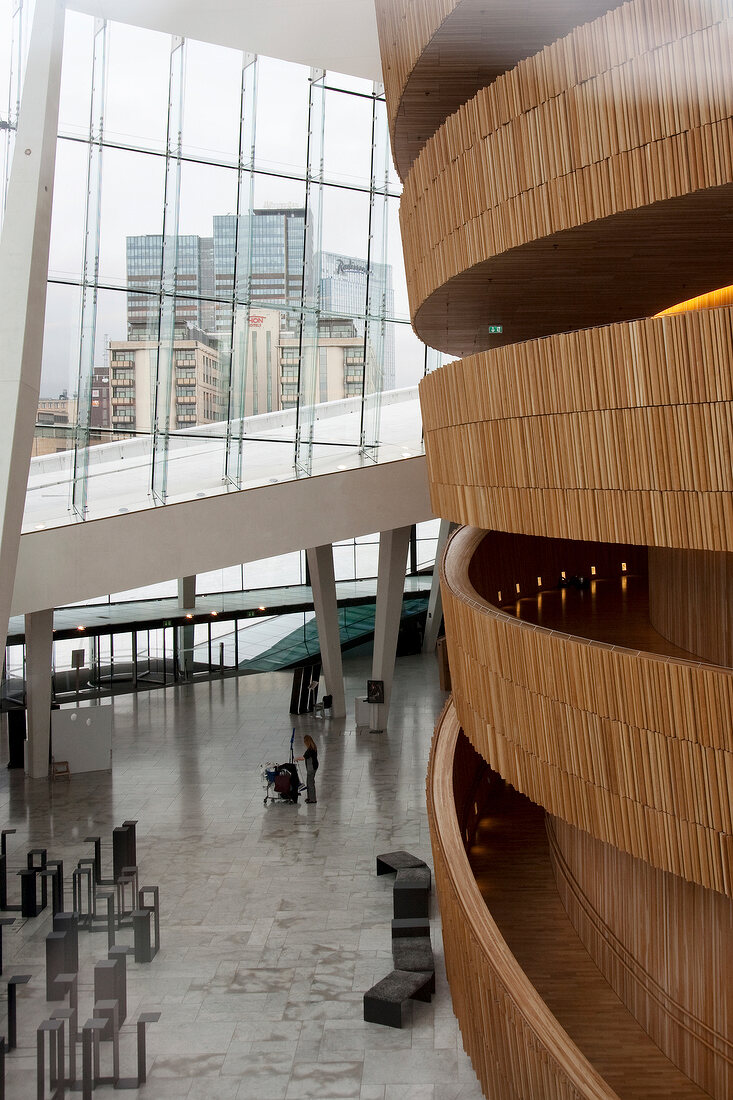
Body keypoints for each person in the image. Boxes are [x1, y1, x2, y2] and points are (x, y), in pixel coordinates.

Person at [296, 734, 318, 803]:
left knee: (310, 783)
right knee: (309, 782)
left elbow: (303, 758)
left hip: (311, 768)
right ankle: (310, 797)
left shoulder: (310, 750)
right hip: (314, 766)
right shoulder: (313, 747)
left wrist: (296, 758)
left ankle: (313, 799)